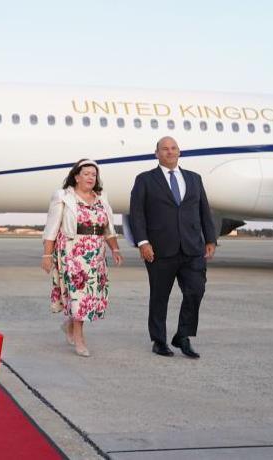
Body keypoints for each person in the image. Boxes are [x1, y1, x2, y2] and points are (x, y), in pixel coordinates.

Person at [130, 136, 217, 359]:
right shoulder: (145, 180)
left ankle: (183, 336)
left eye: (174, 148)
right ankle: (159, 341)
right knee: (160, 297)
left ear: (179, 152)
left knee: (195, 290)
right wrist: (142, 242)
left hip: (192, 248)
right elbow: (137, 214)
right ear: (156, 153)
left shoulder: (194, 179)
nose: (170, 152)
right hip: (159, 249)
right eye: (165, 149)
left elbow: (204, 211)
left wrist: (210, 239)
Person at [41, 159, 123, 357]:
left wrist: (115, 249)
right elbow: (51, 228)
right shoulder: (63, 197)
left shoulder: (101, 198)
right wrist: (47, 254)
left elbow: (108, 228)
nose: (90, 177)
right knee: (79, 297)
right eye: (86, 174)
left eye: (93, 174)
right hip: (72, 251)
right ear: (76, 176)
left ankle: (70, 325)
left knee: (89, 297)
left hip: (96, 253)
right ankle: (79, 338)